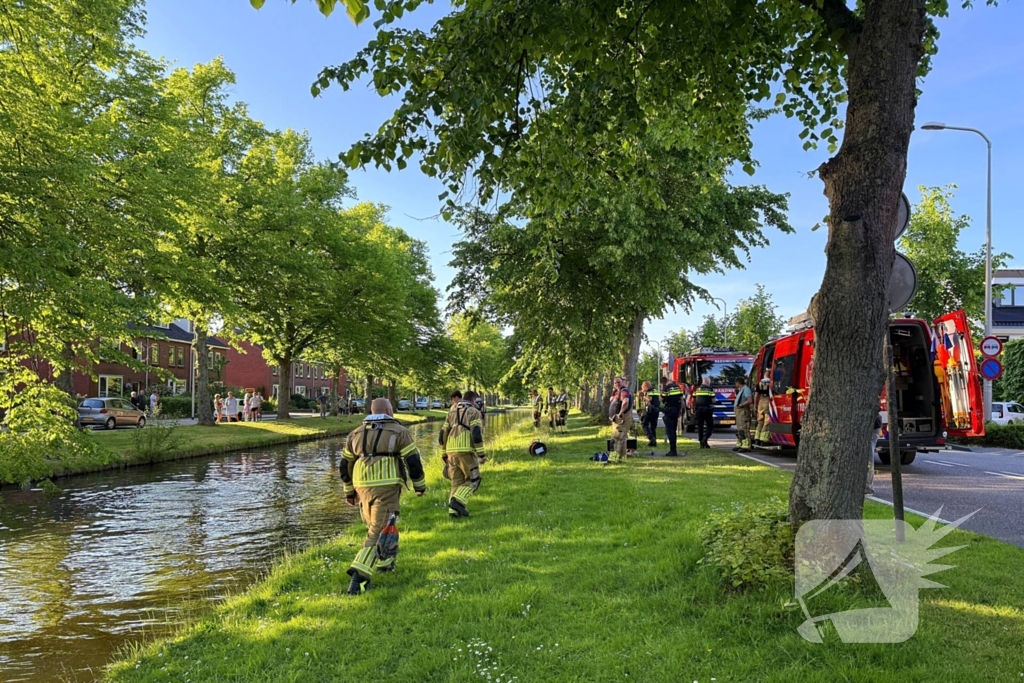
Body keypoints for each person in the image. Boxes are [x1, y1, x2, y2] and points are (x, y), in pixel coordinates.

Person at [340, 397, 426, 595]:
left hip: (361, 485)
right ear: (389, 410)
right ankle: (359, 577)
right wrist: (419, 485)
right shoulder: (399, 431)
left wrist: (349, 491)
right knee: (380, 530)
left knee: (378, 525)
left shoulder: (355, 433)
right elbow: (413, 461)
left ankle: (385, 563)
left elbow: (345, 465)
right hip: (386, 485)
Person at [439, 390, 486, 518]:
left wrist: (443, 452)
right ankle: (457, 501)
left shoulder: (451, 410)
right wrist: (482, 455)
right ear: (473, 400)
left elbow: (443, 433)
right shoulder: (474, 412)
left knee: (456, 482)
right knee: (474, 479)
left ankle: (454, 513)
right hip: (466, 451)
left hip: (451, 451)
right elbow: (476, 434)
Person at [608, 377, 633, 463]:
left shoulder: (624, 391)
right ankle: (622, 458)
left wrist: (620, 413)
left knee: (616, 438)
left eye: (618, 382)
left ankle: (613, 459)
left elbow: (625, 401)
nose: (617, 384)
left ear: (623, 382)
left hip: (621, 418)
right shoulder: (617, 392)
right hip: (616, 419)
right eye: (615, 383)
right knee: (622, 439)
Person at [660, 374, 684, 457]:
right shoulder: (678, 388)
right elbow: (681, 400)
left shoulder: (666, 388)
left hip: (669, 410)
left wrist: (662, 391)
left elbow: (661, 399)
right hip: (676, 410)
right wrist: (680, 410)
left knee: (670, 431)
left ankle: (673, 450)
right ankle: (674, 449)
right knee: (673, 430)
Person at [733, 377, 753, 453]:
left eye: (736, 383)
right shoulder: (741, 390)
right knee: (739, 429)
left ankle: (746, 446)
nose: (735, 384)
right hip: (739, 412)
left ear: (738, 383)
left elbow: (750, 400)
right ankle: (740, 444)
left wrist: (741, 405)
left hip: (743, 411)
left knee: (744, 428)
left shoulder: (746, 389)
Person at [694, 378, 715, 449]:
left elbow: (694, 399)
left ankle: (702, 443)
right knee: (710, 426)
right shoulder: (709, 389)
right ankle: (705, 438)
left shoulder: (697, 389)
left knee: (700, 426)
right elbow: (713, 400)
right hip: (707, 409)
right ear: (707, 382)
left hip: (698, 410)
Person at [639, 381, 660, 447]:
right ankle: (653, 442)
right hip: (656, 409)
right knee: (653, 427)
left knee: (644, 424)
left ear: (646, 386)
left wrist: (643, 396)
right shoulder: (655, 390)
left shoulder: (649, 391)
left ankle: (651, 439)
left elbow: (649, 399)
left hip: (650, 410)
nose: (642, 389)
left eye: (643, 387)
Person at [753, 374, 772, 446]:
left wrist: (755, 405)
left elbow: (755, 395)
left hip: (760, 401)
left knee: (760, 421)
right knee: (767, 421)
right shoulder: (771, 383)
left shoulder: (759, 384)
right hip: (767, 401)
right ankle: (763, 439)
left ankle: (757, 438)